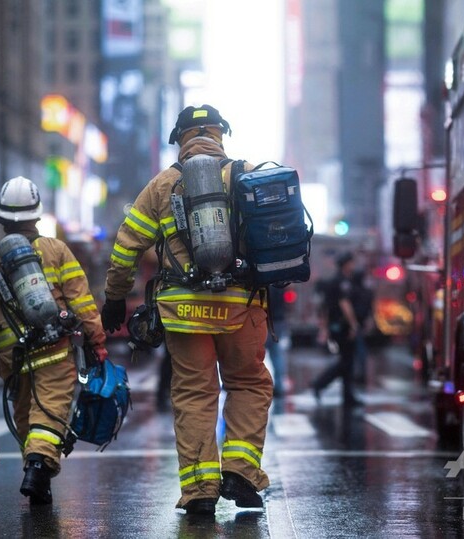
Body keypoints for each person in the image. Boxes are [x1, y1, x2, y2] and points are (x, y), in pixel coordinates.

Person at [101, 105, 272, 516]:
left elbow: (127, 247)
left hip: (184, 310)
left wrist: (114, 297)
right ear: (220, 134)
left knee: (194, 394)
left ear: (180, 137)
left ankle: (199, 489)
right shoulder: (246, 173)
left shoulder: (162, 186)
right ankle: (241, 473)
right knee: (248, 384)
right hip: (241, 306)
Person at [0, 176, 107, 505]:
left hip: (11, 355)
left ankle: (39, 476)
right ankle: (37, 467)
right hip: (53, 348)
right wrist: (97, 339)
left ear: (1, 218)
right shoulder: (57, 250)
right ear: (36, 215)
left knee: (25, 416)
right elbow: (82, 300)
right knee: (48, 412)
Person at [310, 251, 362, 407]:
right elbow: (344, 304)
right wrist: (353, 324)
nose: (354, 265)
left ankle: (348, 396)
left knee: (348, 361)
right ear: (346, 264)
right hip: (342, 326)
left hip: (337, 325)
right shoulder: (341, 282)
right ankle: (319, 383)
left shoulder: (339, 281)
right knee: (346, 362)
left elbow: (325, 307)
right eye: (352, 262)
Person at [350, 269, 375, 385]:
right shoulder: (367, 291)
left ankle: (358, 374)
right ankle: (361, 373)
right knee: (361, 349)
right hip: (362, 322)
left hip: (353, 323)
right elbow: (370, 309)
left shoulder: (352, 291)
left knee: (356, 350)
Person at [266, 285, 289, 398]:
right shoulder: (279, 283)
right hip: (278, 321)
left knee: (255, 354)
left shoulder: (265, 284)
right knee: (276, 354)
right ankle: (279, 385)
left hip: (266, 320)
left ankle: (256, 385)